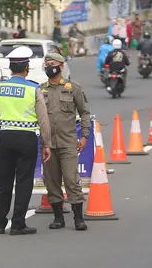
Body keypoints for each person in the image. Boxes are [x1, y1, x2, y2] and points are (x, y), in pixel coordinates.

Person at [0, 47, 52, 235]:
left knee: (2, 181)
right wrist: (46, 144)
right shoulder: (33, 89)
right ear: (27, 69)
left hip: (5, 137)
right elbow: (43, 119)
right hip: (27, 138)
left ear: (9, 68)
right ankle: (17, 224)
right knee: (23, 181)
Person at [40, 52, 91, 231]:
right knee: (51, 181)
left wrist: (84, 136)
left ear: (61, 67)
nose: (48, 67)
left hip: (68, 141)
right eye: (46, 64)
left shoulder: (72, 88)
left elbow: (84, 112)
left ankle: (78, 218)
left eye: (52, 63)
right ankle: (58, 218)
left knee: (71, 179)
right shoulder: (40, 90)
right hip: (47, 144)